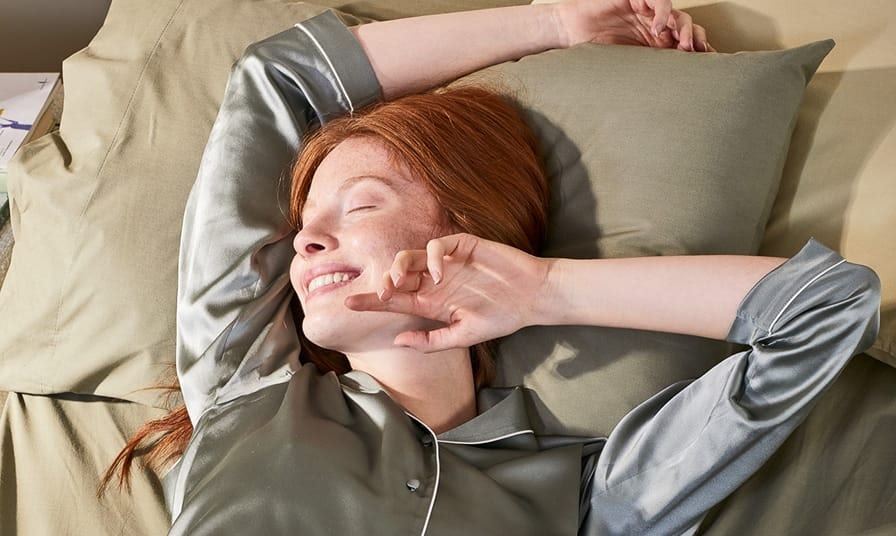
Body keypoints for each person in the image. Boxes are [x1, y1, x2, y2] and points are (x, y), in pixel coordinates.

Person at [105, 1, 880, 534]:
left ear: (464, 227)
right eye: (305, 226)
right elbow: (276, 79)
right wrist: (556, 22)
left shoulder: (585, 492)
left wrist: (546, 290)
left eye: (360, 205)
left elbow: (828, 308)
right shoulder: (244, 386)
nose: (307, 242)